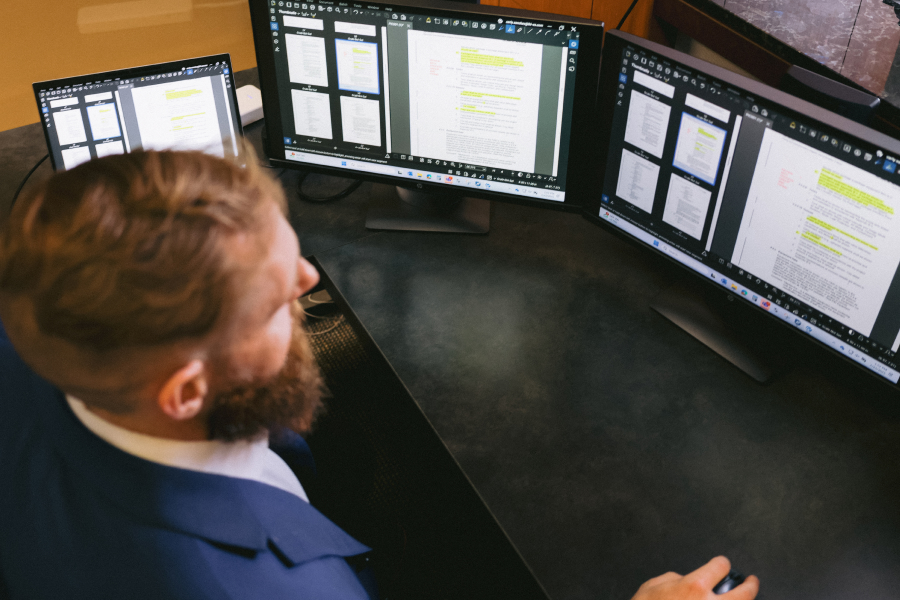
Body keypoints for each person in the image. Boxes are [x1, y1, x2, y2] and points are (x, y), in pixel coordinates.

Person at [0, 150, 759, 600]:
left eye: (287, 249)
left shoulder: (42, 328)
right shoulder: (276, 590)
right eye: (270, 299)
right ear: (188, 391)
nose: (306, 280)